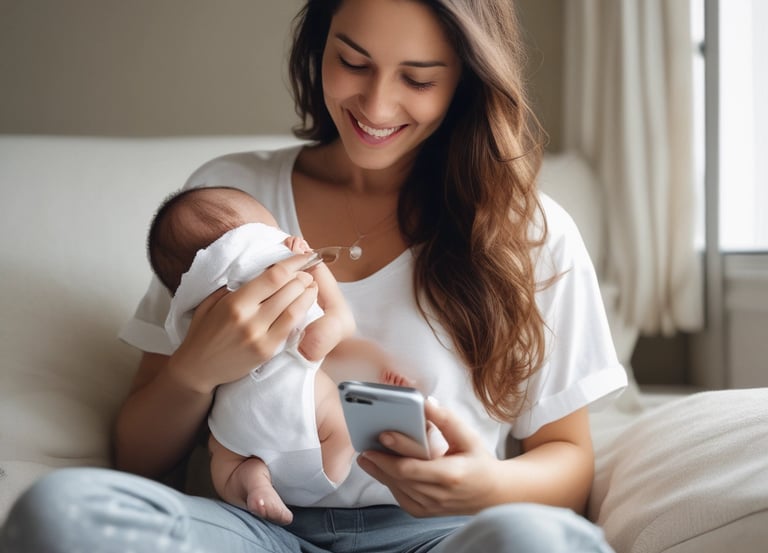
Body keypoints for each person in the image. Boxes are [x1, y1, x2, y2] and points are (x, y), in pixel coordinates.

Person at [0, 1, 628, 552]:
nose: (377, 104)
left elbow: (570, 462)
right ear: (319, 41)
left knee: (546, 543)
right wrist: (196, 368)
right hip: (251, 530)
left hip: (436, 536)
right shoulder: (228, 200)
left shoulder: (527, 232)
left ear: (465, 79)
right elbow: (137, 460)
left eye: (417, 78)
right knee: (61, 514)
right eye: (352, 62)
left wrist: (484, 487)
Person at [148, 185, 424, 526]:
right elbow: (338, 318)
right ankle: (268, 479)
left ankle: (249, 478)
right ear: (257, 241)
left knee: (224, 464)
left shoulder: (189, 310)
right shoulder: (275, 268)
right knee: (343, 430)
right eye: (274, 232)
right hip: (299, 401)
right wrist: (313, 262)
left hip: (233, 424)